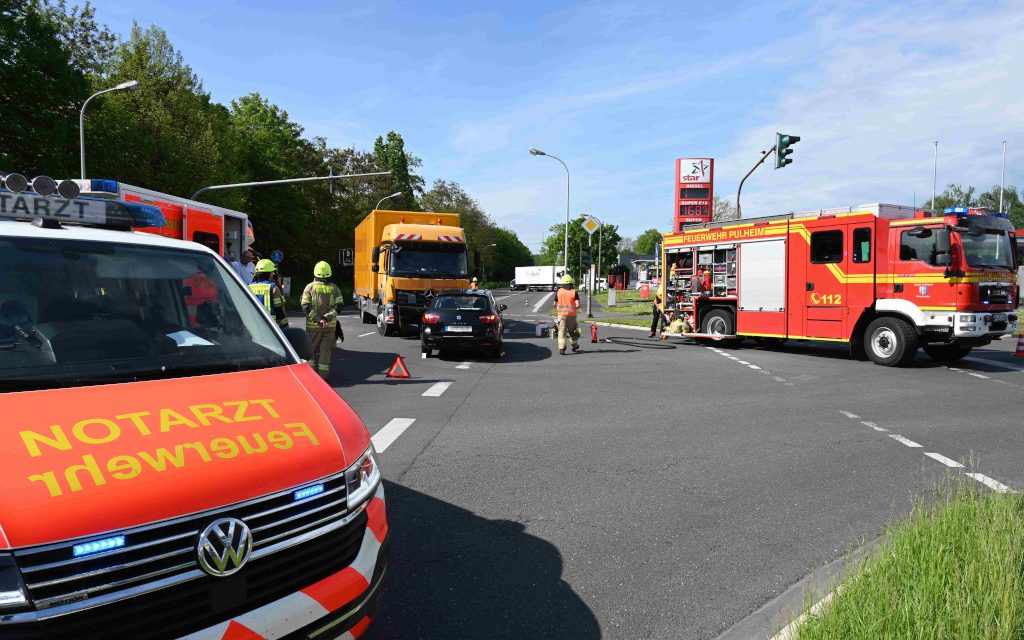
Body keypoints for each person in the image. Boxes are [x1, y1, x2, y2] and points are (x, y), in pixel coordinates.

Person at [301, 261, 344, 381]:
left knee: (311, 351)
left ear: (315, 273)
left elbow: (305, 306)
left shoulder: (309, 287)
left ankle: (312, 377)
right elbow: (339, 307)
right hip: (329, 326)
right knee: (325, 351)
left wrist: (318, 319)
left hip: (313, 327)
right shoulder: (334, 288)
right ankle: (323, 377)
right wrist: (327, 318)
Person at [248, 259, 288, 328]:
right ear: (269, 273)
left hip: (253, 325)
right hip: (271, 327)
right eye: (272, 272)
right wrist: (285, 325)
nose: (273, 274)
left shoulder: (249, 287)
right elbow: (279, 309)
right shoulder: (273, 287)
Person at [555, 274, 581, 355]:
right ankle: (574, 345)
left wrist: (559, 308)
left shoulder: (559, 292)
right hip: (572, 316)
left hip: (562, 315)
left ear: (562, 284)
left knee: (562, 331)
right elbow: (578, 305)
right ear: (571, 283)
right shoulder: (574, 292)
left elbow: (554, 303)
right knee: (573, 331)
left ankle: (562, 348)